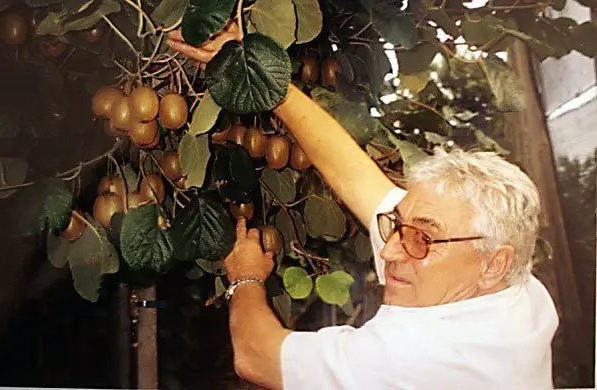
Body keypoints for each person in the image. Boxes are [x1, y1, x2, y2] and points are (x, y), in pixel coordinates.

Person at [167, 23, 559, 390]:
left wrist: (246, 277)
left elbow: (257, 357)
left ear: (494, 263)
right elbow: (356, 177)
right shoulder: (519, 295)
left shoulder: (416, 358)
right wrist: (269, 81)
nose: (389, 250)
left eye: (422, 239)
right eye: (398, 225)